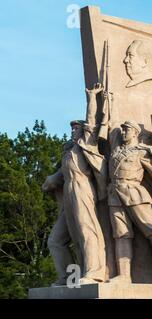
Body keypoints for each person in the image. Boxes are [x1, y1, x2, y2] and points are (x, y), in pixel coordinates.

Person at [43, 84, 108, 285]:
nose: (73, 130)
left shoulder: (85, 146)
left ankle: (95, 273)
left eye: (76, 127)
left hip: (83, 190)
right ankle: (69, 277)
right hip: (69, 194)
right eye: (71, 128)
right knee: (55, 240)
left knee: (86, 230)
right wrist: (50, 181)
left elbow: (91, 122)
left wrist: (92, 99)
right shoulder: (69, 152)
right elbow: (59, 177)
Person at [108, 120, 152, 285]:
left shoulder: (141, 152)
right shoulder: (116, 151)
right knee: (121, 235)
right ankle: (124, 275)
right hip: (115, 195)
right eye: (122, 130)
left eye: (127, 130)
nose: (123, 133)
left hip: (134, 193)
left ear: (135, 133)